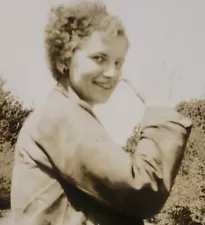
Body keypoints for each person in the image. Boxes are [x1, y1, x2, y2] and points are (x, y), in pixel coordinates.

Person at [11, 1, 192, 224]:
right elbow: (142, 192)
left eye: (119, 62)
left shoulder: (65, 114)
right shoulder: (60, 117)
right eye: (99, 58)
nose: (112, 73)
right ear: (63, 60)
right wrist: (159, 109)